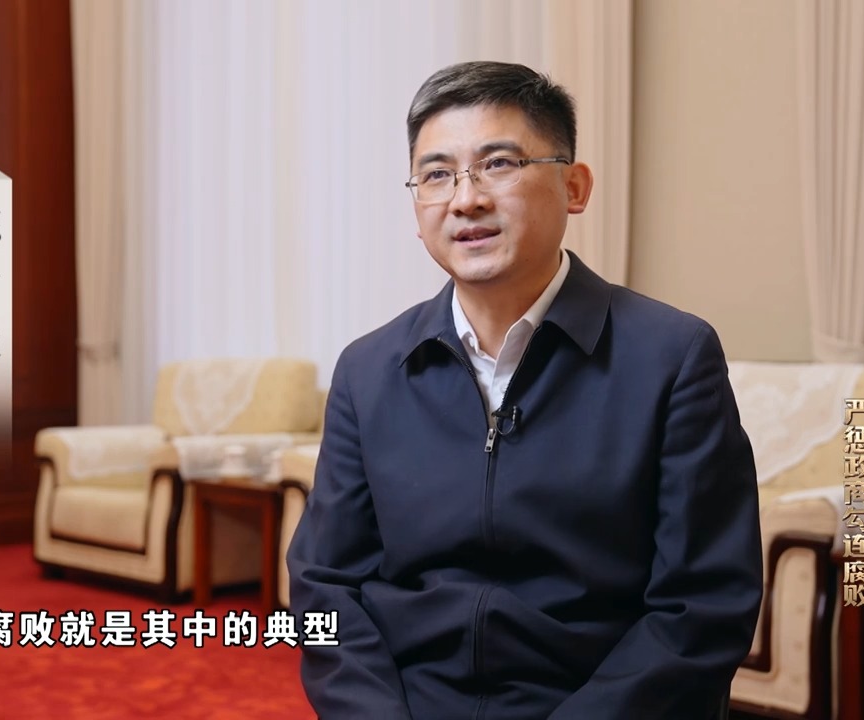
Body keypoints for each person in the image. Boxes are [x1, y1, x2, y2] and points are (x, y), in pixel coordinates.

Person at [287, 61, 763, 719]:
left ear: (574, 186)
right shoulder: (368, 370)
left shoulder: (673, 357)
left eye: (499, 164)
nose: (466, 199)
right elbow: (326, 586)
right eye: (437, 175)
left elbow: (702, 607)